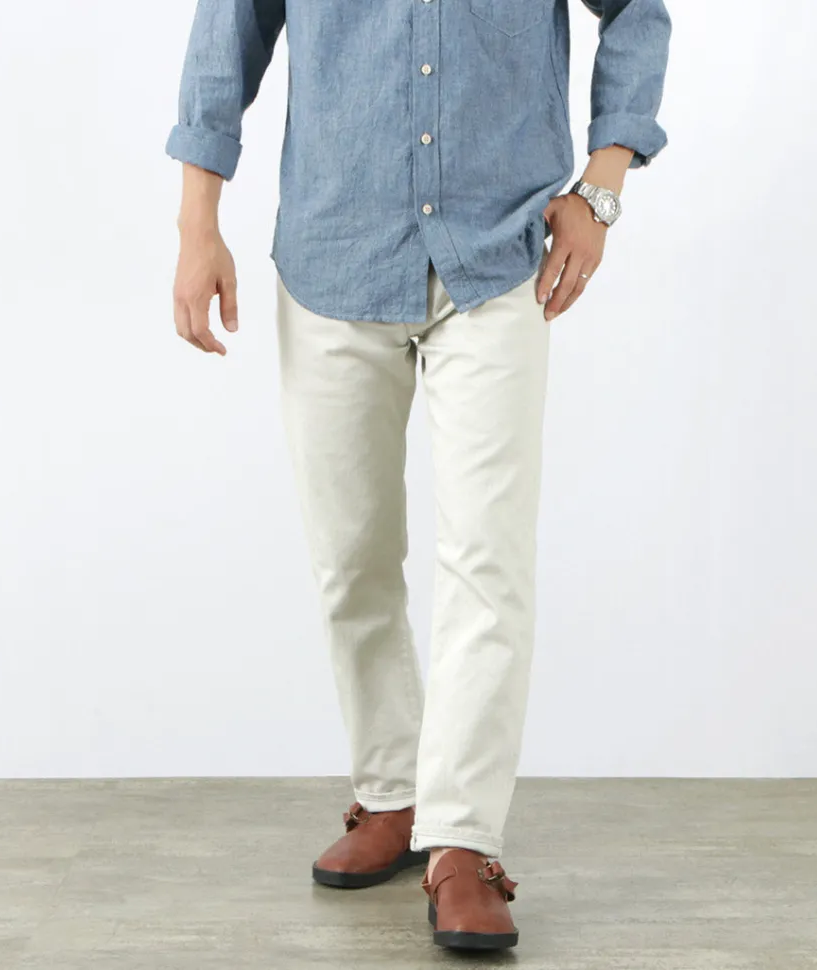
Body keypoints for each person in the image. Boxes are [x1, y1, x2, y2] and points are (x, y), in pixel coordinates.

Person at [166, 0, 670, 951]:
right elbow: (226, 35)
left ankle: (463, 843)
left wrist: (602, 187)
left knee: (488, 560)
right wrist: (199, 224)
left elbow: (638, 13)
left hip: (498, 257)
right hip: (333, 251)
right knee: (351, 558)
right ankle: (393, 795)